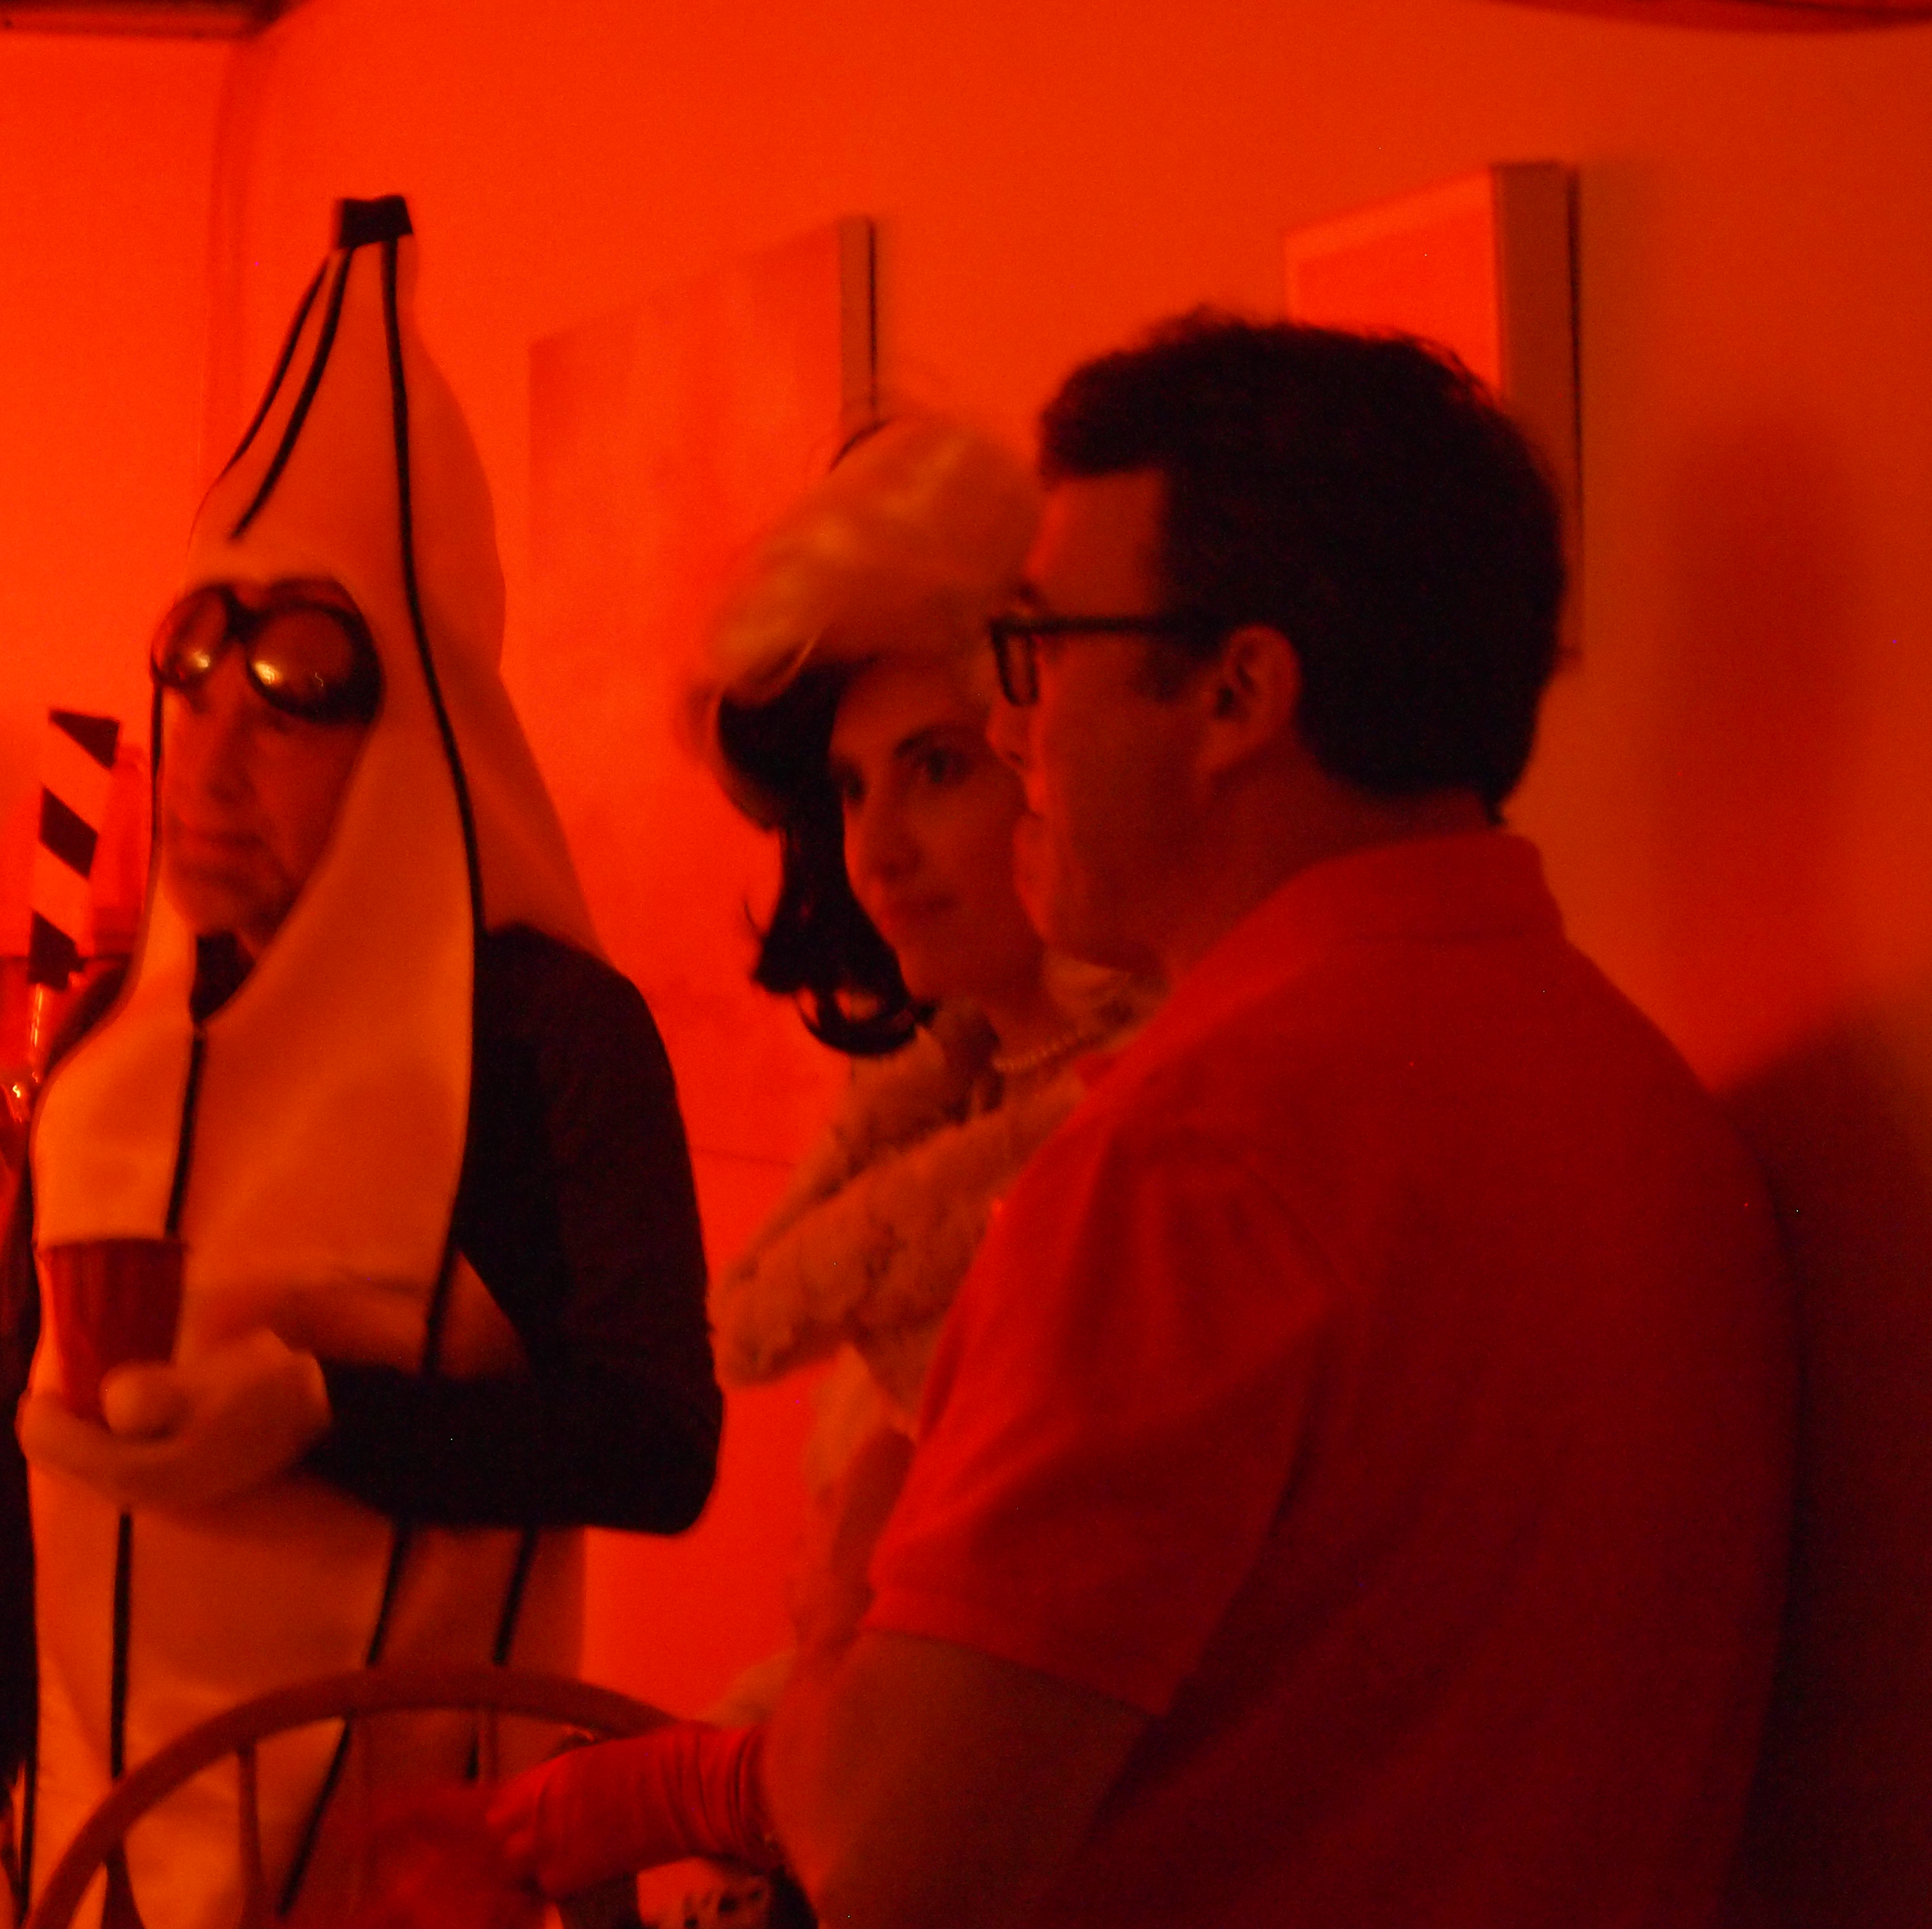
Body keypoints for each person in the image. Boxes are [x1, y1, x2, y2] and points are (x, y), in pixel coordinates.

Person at [757, 313, 1795, 1929]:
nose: (1017, 731)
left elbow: (893, 1861)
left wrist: (845, 1589)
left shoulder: (1189, 1164)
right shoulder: (1650, 1105)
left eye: (1036, 652)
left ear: (1237, 694)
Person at [0, 196, 719, 1929]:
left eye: (290, 701)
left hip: (422, 1862)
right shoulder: (120, 1039)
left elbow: (657, 1446)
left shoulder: (547, 1034)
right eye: (193, 686)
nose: (212, 760)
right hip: (97, 1849)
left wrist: (327, 1415)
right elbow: (9, 1451)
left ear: (413, 735)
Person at [488, 419, 1150, 1912]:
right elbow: (863, 1658)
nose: (879, 848)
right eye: (850, 792)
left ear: (1044, 758)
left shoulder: (1136, 1151)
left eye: (937, 770)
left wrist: (673, 1791)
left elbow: (979, 1727)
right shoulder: (940, 1122)